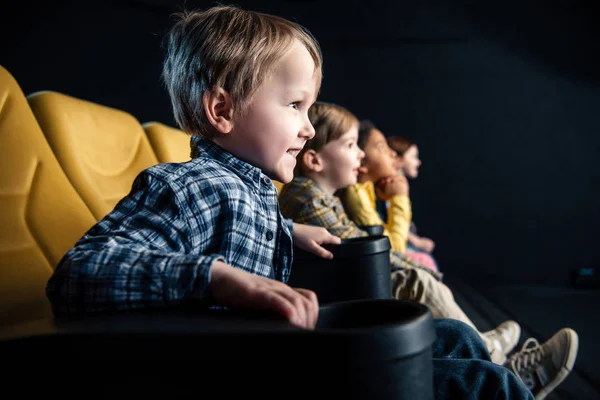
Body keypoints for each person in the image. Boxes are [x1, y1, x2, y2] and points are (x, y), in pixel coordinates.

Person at [44, 6, 553, 399]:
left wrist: (287, 233)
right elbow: (79, 273)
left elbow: (229, 230)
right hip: (251, 370)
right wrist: (220, 276)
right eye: (294, 106)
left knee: (453, 340)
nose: (308, 128)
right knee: (486, 387)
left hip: (274, 352)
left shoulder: (250, 189)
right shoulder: (189, 186)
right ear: (222, 109)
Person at [335, 117, 579, 399]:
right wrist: (400, 199)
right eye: (380, 147)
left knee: (448, 318)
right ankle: (497, 357)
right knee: (420, 276)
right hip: (359, 292)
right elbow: (391, 248)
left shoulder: (364, 190)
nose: (391, 153)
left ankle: (493, 356)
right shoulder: (353, 193)